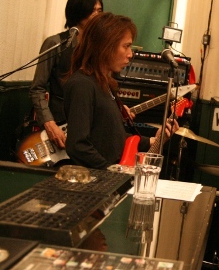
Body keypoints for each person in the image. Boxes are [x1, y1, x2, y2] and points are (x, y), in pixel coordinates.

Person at [64, 12, 177, 170]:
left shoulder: (104, 85)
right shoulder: (82, 85)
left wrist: (153, 140)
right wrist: (111, 171)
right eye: (126, 46)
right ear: (106, 46)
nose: (130, 54)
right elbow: (77, 146)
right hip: (97, 180)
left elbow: (112, 137)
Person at [29, 0, 104, 149]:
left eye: (99, 11)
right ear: (78, 12)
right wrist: (49, 123)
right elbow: (37, 88)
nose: (97, 15)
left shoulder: (101, 47)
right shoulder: (56, 43)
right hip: (59, 121)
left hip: (90, 126)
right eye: (92, 11)